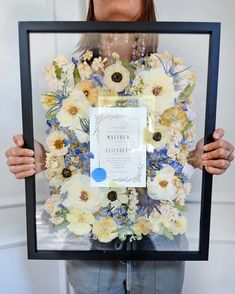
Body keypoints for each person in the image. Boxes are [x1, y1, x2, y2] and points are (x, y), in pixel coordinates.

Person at [5, 0, 234, 293]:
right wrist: (43, 158)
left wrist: (202, 156)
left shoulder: (171, 77)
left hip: (159, 238)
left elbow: (177, 158)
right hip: (91, 240)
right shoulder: (68, 80)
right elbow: (70, 158)